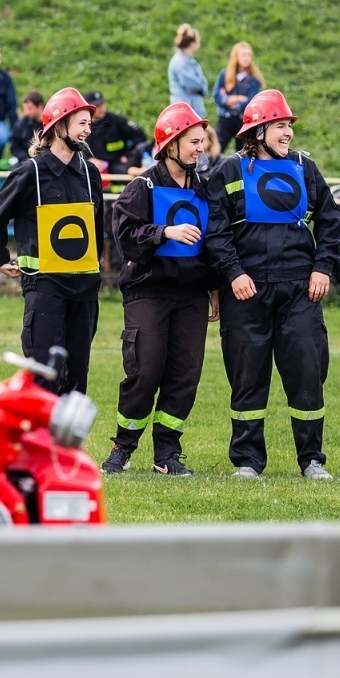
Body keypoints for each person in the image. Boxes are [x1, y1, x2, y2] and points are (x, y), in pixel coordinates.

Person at [204, 89, 340, 480]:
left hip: (300, 289)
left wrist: (323, 268)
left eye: (289, 127)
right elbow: (215, 233)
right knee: (247, 376)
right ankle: (248, 461)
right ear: (259, 130)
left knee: (307, 372)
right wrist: (233, 273)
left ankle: (312, 459)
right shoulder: (229, 171)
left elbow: (331, 224)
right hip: (246, 291)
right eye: (281, 126)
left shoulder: (305, 168)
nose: (288, 134)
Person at [102, 102, 217, 477]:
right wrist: (164, 232)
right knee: (145, 371)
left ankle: (167, 454)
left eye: (203, 141)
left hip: (193, 297)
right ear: (170, 144)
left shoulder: (205, 190)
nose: (200, 148)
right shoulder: (143, 187)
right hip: (149, 292)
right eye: (193, 142)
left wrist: (215, 289)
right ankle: (123, 447)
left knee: (185, 375)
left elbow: (215, 242)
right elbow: (125, 235)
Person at [0, 87, 104, 396]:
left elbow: (98, 225)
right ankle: (40, 442)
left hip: (84, 289)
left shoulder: (90, 174)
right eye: (81, 123)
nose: (87, 130)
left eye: (88, 124)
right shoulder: (30, 173)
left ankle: (67, 444)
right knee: (45, 375)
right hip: (44, 286)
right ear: (59, 126)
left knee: (77, 375)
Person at [212, 41, 265, 150]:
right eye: (243, 55)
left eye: (249, 55)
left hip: (244, 120)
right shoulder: (225, 74)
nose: (246, 58)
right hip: (225, 118)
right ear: (236, 57)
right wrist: (235, 99)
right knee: (216, 148)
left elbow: (252, 100)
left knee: (244, 151)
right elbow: (216, 96)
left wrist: (235, 104)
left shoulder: (253, 79)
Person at [84, 91, 146, 175]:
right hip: (94, 165)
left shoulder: (116, 121)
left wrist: (128, 155)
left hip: (117, 163)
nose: (101, 108)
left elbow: (140, 136)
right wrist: (89, 159)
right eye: (97, 106)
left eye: (102, 104)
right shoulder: (82, 124)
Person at [168, 24, 208, 117]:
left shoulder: (192, 61)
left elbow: (203, 85)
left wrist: (200, 87)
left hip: (195, 109)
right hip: (183, 111)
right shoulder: (179, 62)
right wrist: (200, 86)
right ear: (192, 43)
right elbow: (193, 84)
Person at [9, 90, 45, 165]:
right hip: (26, 162)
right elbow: (15, 147)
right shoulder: (20, 125)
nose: (27, 112)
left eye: (30, 108)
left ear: (40, 106)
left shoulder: (52, 125)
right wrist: (26, 158)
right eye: (25, 109)